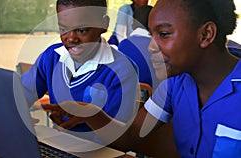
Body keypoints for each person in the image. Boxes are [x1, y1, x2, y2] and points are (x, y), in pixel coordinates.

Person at [40, 0, 241, 157]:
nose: (151, 46)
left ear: (206, 34)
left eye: (163, 34)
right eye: (152, 34)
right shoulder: (174, 85)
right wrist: (91, 114)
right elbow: (131, 135)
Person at [21, 0, 139, 141]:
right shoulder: (52, 57)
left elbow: (121, 138)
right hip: (59, 144)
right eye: (63, 29)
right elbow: (22, 93)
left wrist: (93, 117)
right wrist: (17, 117)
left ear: (104, 24)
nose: (71, 38)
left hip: (102, 151)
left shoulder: (122, 70)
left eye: (82, 30)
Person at [118, 5, 159, 90]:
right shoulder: (156, 46)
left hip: (129, 95)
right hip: (153, 94)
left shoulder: (123, 44)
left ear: (132, 25)